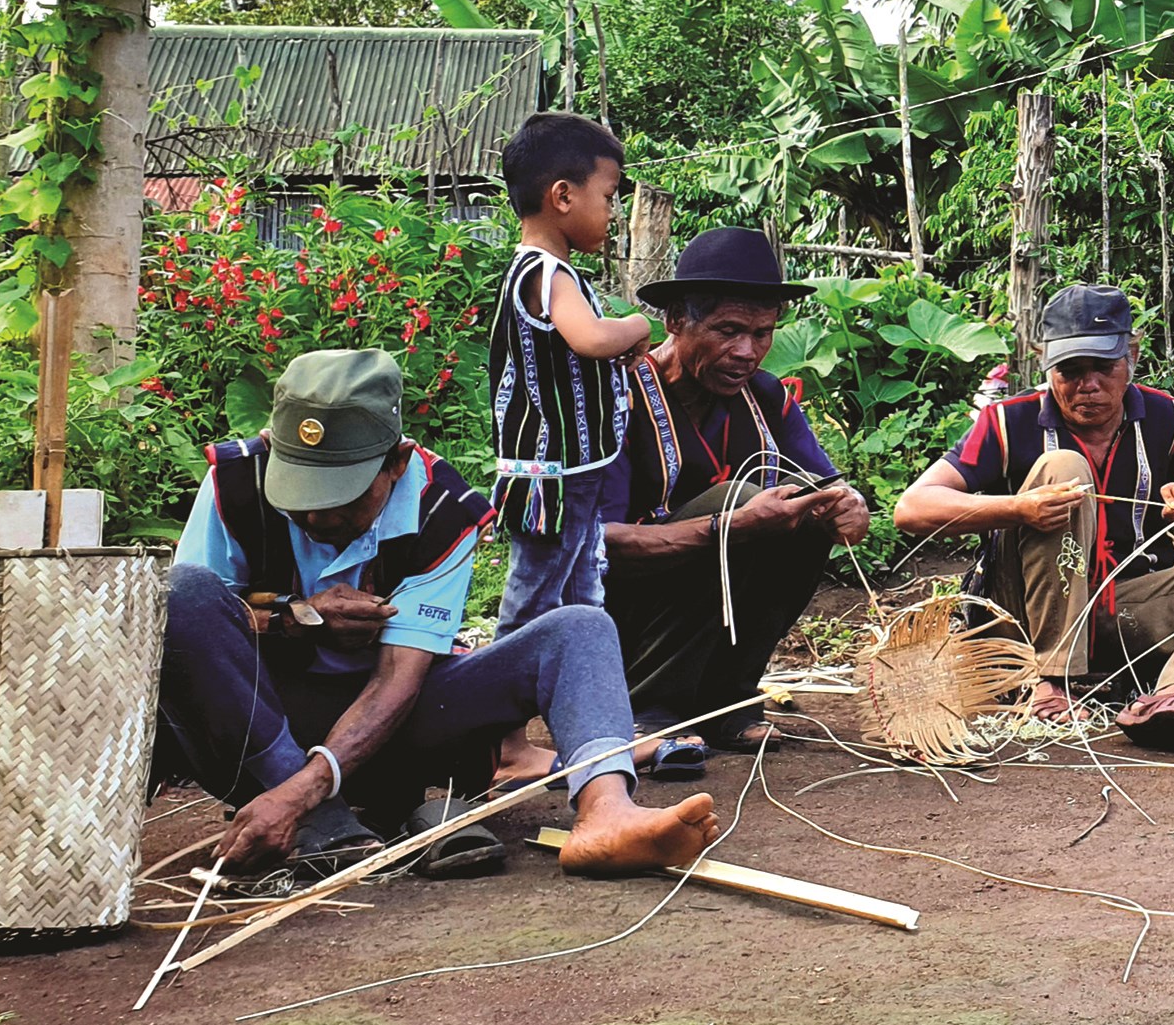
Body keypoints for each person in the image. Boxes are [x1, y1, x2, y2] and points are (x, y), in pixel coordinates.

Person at [155, 348, 719, 879]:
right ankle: (321, 822)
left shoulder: (441, 508)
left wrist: (305, 789)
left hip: (393, 727)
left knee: (579, 628)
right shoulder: (235, 480)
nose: (317, 517)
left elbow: (398, 681)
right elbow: (194, 625)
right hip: (257, 727)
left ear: (396, 462)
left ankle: (606, 813)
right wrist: (293, 617)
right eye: (299, 493)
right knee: (183, 591)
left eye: (343, 498)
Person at [894, 283, 1174, 755]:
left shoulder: (1164, 417)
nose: (1087, 385)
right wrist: (1017, 508)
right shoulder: (1007, 422)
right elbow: (911, 508)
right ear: (1046, 364)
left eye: (1103, 368)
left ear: (1130, 355)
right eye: (1070, 371)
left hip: (1125, 610)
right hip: (1023, 620)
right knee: (1064, 470)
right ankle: (1052, 681)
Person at [609, 228, 872, 773]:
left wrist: (848, 507)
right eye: (728, 330)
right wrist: (730, 523)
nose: (747, 352)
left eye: (762, 333)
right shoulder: (620, 395)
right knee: (737, 499)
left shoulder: (766, 397)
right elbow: (596, 544)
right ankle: (647, 705)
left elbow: (826, 486)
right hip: (619, 618)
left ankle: (724, 696)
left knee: (805, 512)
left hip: (704, 610)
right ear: (676, 319)